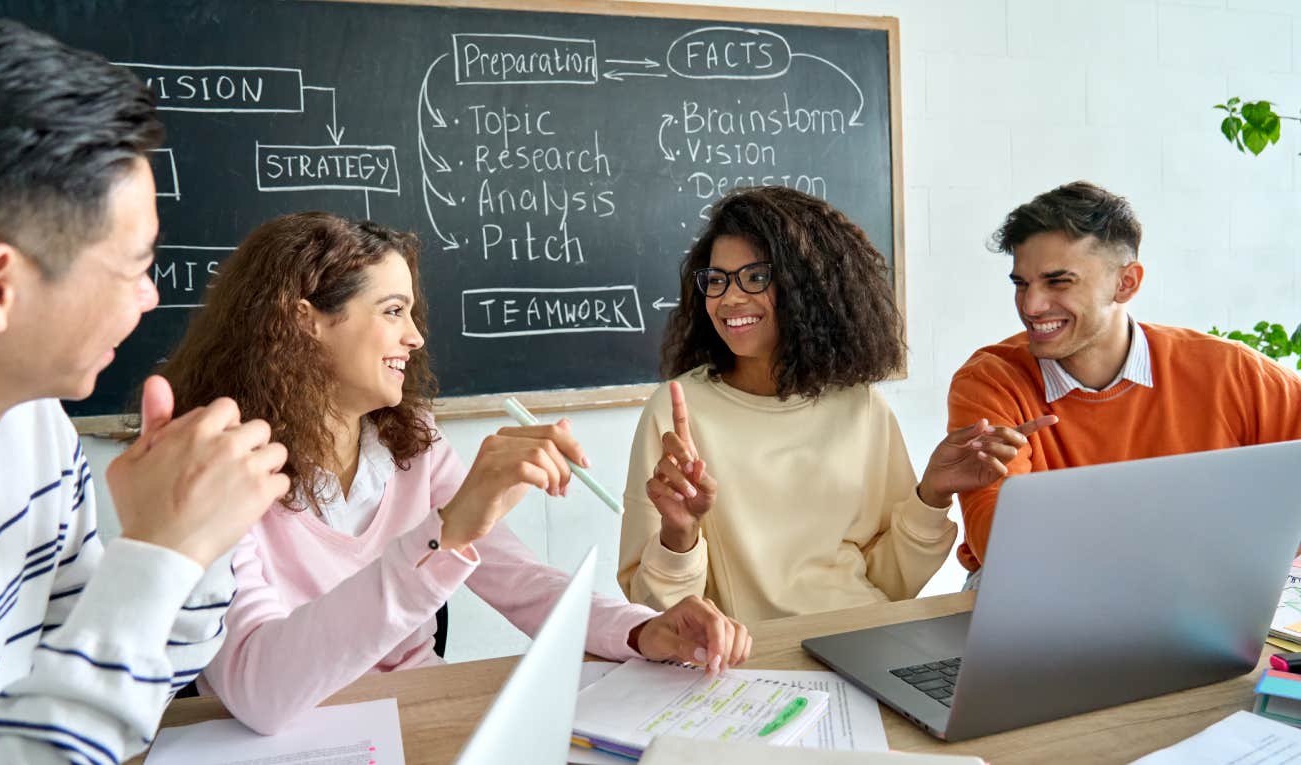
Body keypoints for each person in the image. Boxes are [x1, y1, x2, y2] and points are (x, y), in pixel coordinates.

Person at [154, 211, 751, 734]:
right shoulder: (217, 466)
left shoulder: (412, 440)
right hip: (289, 742)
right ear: (304, 319)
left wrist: (643, 631)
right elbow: (258, 690)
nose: (414, 337)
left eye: (411, 312)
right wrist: (449, 533)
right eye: (393, 311)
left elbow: (523, 584)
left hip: (420, 717)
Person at [0, 19, 290, 764]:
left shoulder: (32, 430)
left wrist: (193, 546)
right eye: (134, 265)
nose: (151, 296)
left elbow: (114, 694)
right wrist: (158, 554)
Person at [618, 186, 1053, 622]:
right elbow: (654, 613)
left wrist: (933, 494)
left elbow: (888, 584)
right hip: (747, 660)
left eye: (755, 277)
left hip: (862, 637)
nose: (729, 298)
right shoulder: (677, 412)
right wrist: (680, 535)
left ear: (807, 286)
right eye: (717, 280)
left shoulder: (860, 405)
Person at [947, 180, 1301, 582]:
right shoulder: (990, 381)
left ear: (1126, 283)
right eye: (1022, 283)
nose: (1031, 306)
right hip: (1039, 588)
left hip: (1202, 584)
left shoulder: (1234, 372)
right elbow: (1000, 546)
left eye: (1058, 281)